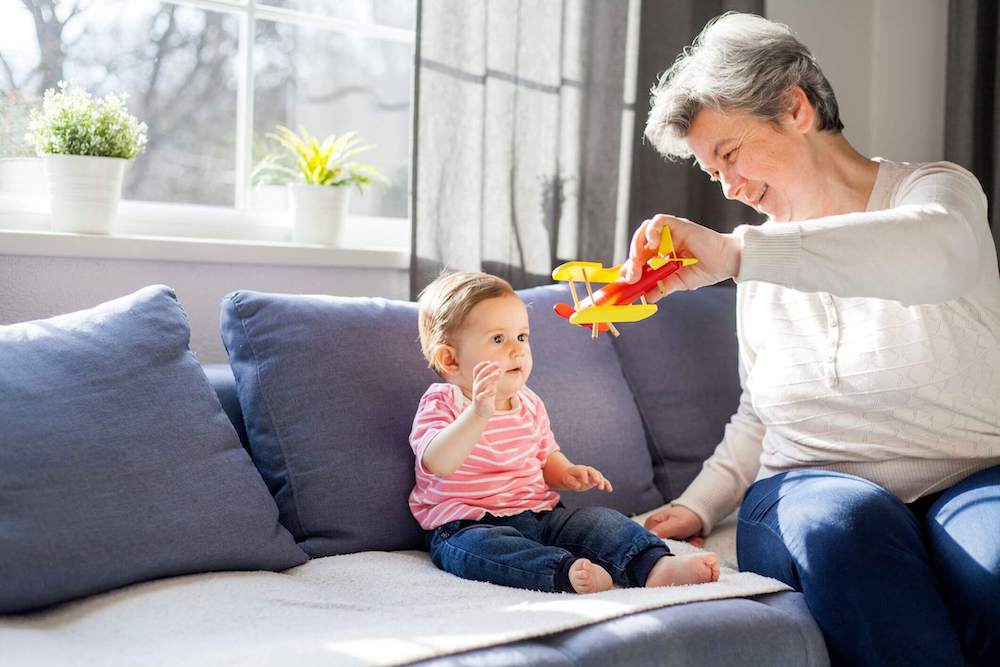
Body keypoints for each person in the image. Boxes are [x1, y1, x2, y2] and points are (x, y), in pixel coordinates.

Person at [625, 11, 1000, 667]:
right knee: (846, 525)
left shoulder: (935, 193)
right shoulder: (762, 264)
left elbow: (938, 255)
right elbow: (757, 415)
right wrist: (696, 503)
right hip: (810, 487)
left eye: (731, 155)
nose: (729, 186)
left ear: (794, 108)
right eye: (713, 172)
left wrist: (740, 254)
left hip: (971, 475)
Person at [410, 271, 720, 594]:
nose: (516, 350)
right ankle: (562, 571)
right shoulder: (442, 402)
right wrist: (477, 415)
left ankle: (653, 564)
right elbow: (437, 462)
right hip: (466, 525)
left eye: (522, 337)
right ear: (450, 359)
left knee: (600, 522)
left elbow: (545, 457)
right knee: (478, 551)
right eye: (498, 339)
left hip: (540, 515)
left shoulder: (528, 403)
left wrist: (567, 471)